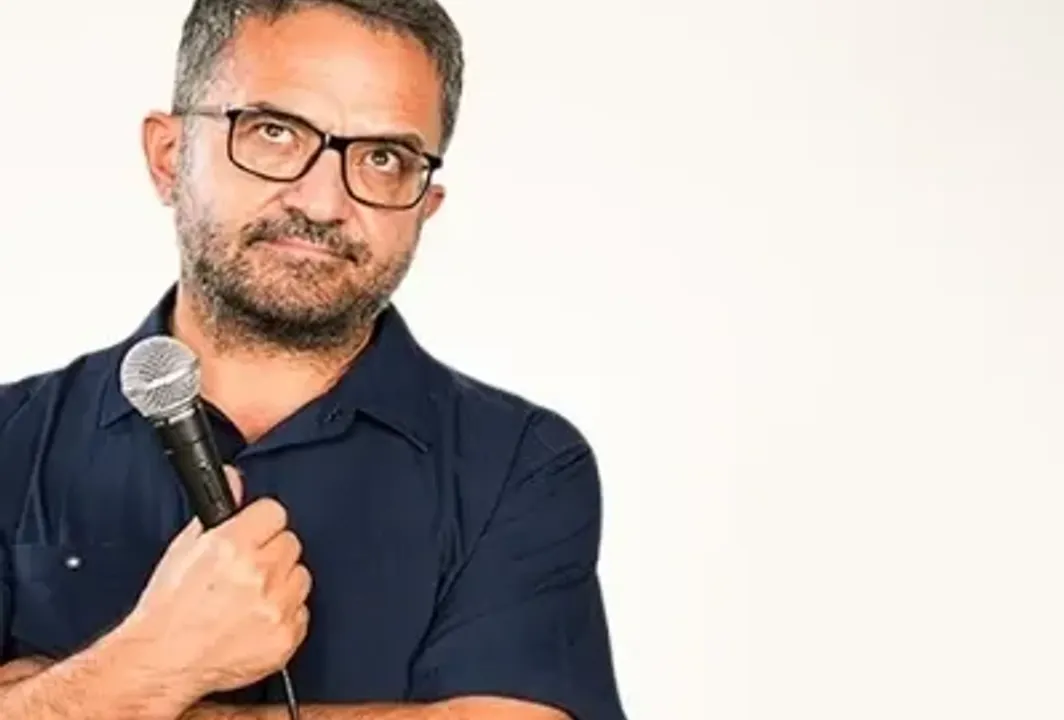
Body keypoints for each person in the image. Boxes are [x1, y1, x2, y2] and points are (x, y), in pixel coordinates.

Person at [0, 1, 627, 718]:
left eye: (383, 158)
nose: (324, 202)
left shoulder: (521, 464)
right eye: (274, 132)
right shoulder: (9, 440)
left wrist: (102, 691)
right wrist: (156, 660)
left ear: (425, 206)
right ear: (169, 157)